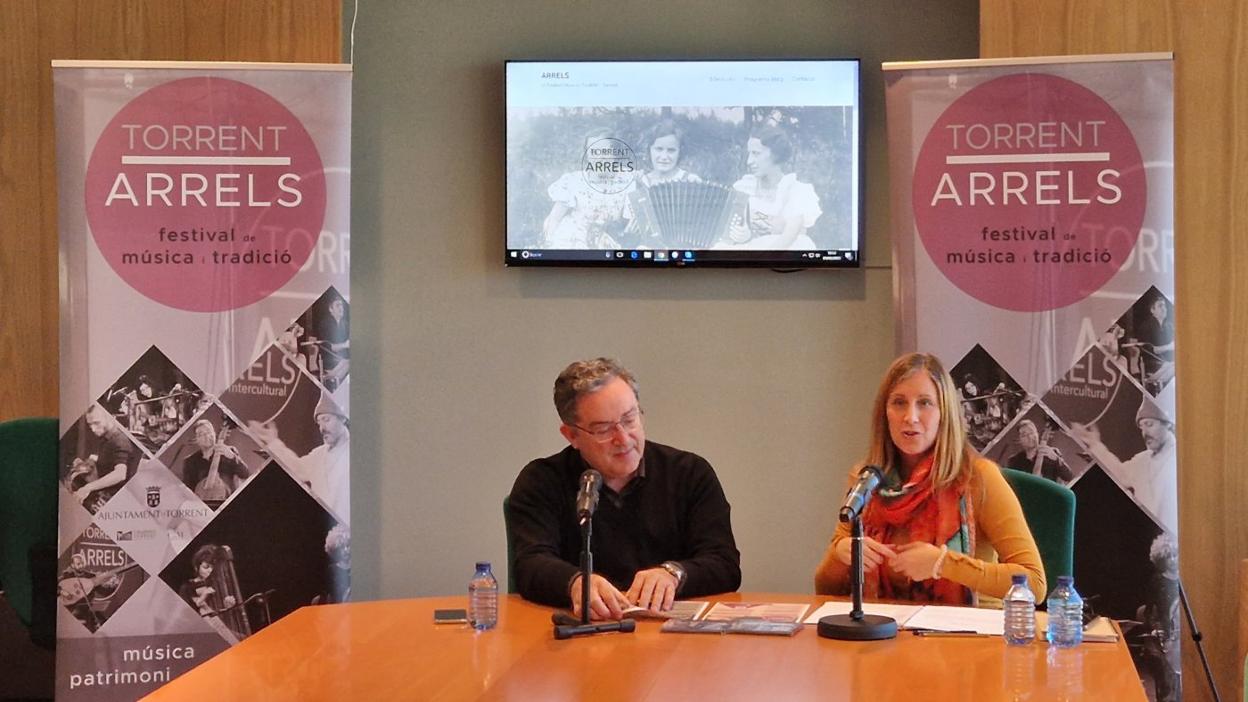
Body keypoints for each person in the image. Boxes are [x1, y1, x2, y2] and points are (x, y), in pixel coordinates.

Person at [509, 358, 741, 620]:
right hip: (584, 633)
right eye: (604, 429)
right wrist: (574, 582)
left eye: (630, 419)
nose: (623, 438)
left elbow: (725, 564)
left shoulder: (690, 473)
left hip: (670, 638)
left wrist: (673, 574)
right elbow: (529, 565)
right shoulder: (541, 480)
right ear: (572, 435)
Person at [814, 352, 1045, 603]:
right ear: (884, 414)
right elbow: (824, 588)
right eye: (899, 403)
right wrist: (840, 555)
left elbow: (1034, 583)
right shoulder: (867, 479)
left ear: (944, 413)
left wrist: (943, 563)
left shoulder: (978, 478)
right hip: (884, 631)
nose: (910, 417)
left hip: (965, 636)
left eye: (924, 403)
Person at [1071, 398, 1177, 534]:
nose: (1145, 433)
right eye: (1141, 427)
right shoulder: (1142, 460)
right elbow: (1120, 473)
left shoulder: (1183, 457)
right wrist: (1095, 445)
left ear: (1167, 424)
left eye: (1149, 424)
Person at [249, 393, 351, 524]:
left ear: (343, 419)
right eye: (319, 423)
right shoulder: (319, 454)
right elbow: (297, 468)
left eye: (326, 420)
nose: (322, 429)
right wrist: (273, 442)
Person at [727, 125, 821, 250]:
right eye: (749, 154)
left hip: (783, 254)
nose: (749, 161)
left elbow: (788, 238)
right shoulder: (745, 187)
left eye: (756, 153)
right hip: (752, 252)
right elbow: (733, 227)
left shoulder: (796, 191)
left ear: (776, 154)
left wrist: (761, 261)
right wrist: (744, 235)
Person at [542, 128, 634, 249]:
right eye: (593, 151)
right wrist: (548, 245)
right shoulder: (574, 180)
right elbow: (554, 218)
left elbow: (631, 225)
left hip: (608, 242)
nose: (600, 157)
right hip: (571, 240)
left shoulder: (627, 180)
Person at [622, 120, 704, 248]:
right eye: (658, 149)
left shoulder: (692, 181)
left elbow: (703, 227)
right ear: (649, 150)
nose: (664, 156)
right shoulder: (637, 186)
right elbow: (629, 236)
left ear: (680, 152)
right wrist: (629, 233)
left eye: (671, 150)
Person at [72, 404, 138, 511]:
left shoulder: (119, 440)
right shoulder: (106, 437)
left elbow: (120, 474)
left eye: (97, 423)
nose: (93, 429)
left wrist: (88, 487)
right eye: (90, 425)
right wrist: (91, 461)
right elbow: (112, 459)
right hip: (106, 493)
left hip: (115, 501)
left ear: (109, 417)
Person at [181, 419, 251, 506]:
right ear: (196, 439)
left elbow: (245, 474)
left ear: (214, 433)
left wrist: (232, 457)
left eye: (209, 432)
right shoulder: (190, 461)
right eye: (201, 434)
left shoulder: (229, 451)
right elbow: (187, 489)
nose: (207, 436)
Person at [1005, 419, 1073, 483]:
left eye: (1032, 432)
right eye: (1024, 435)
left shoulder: (1053, 452)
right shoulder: (1014, 461)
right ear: (1020, 440)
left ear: (1037, 434)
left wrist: (1056, 459)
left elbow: (1069, 477)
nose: (1030, 437)